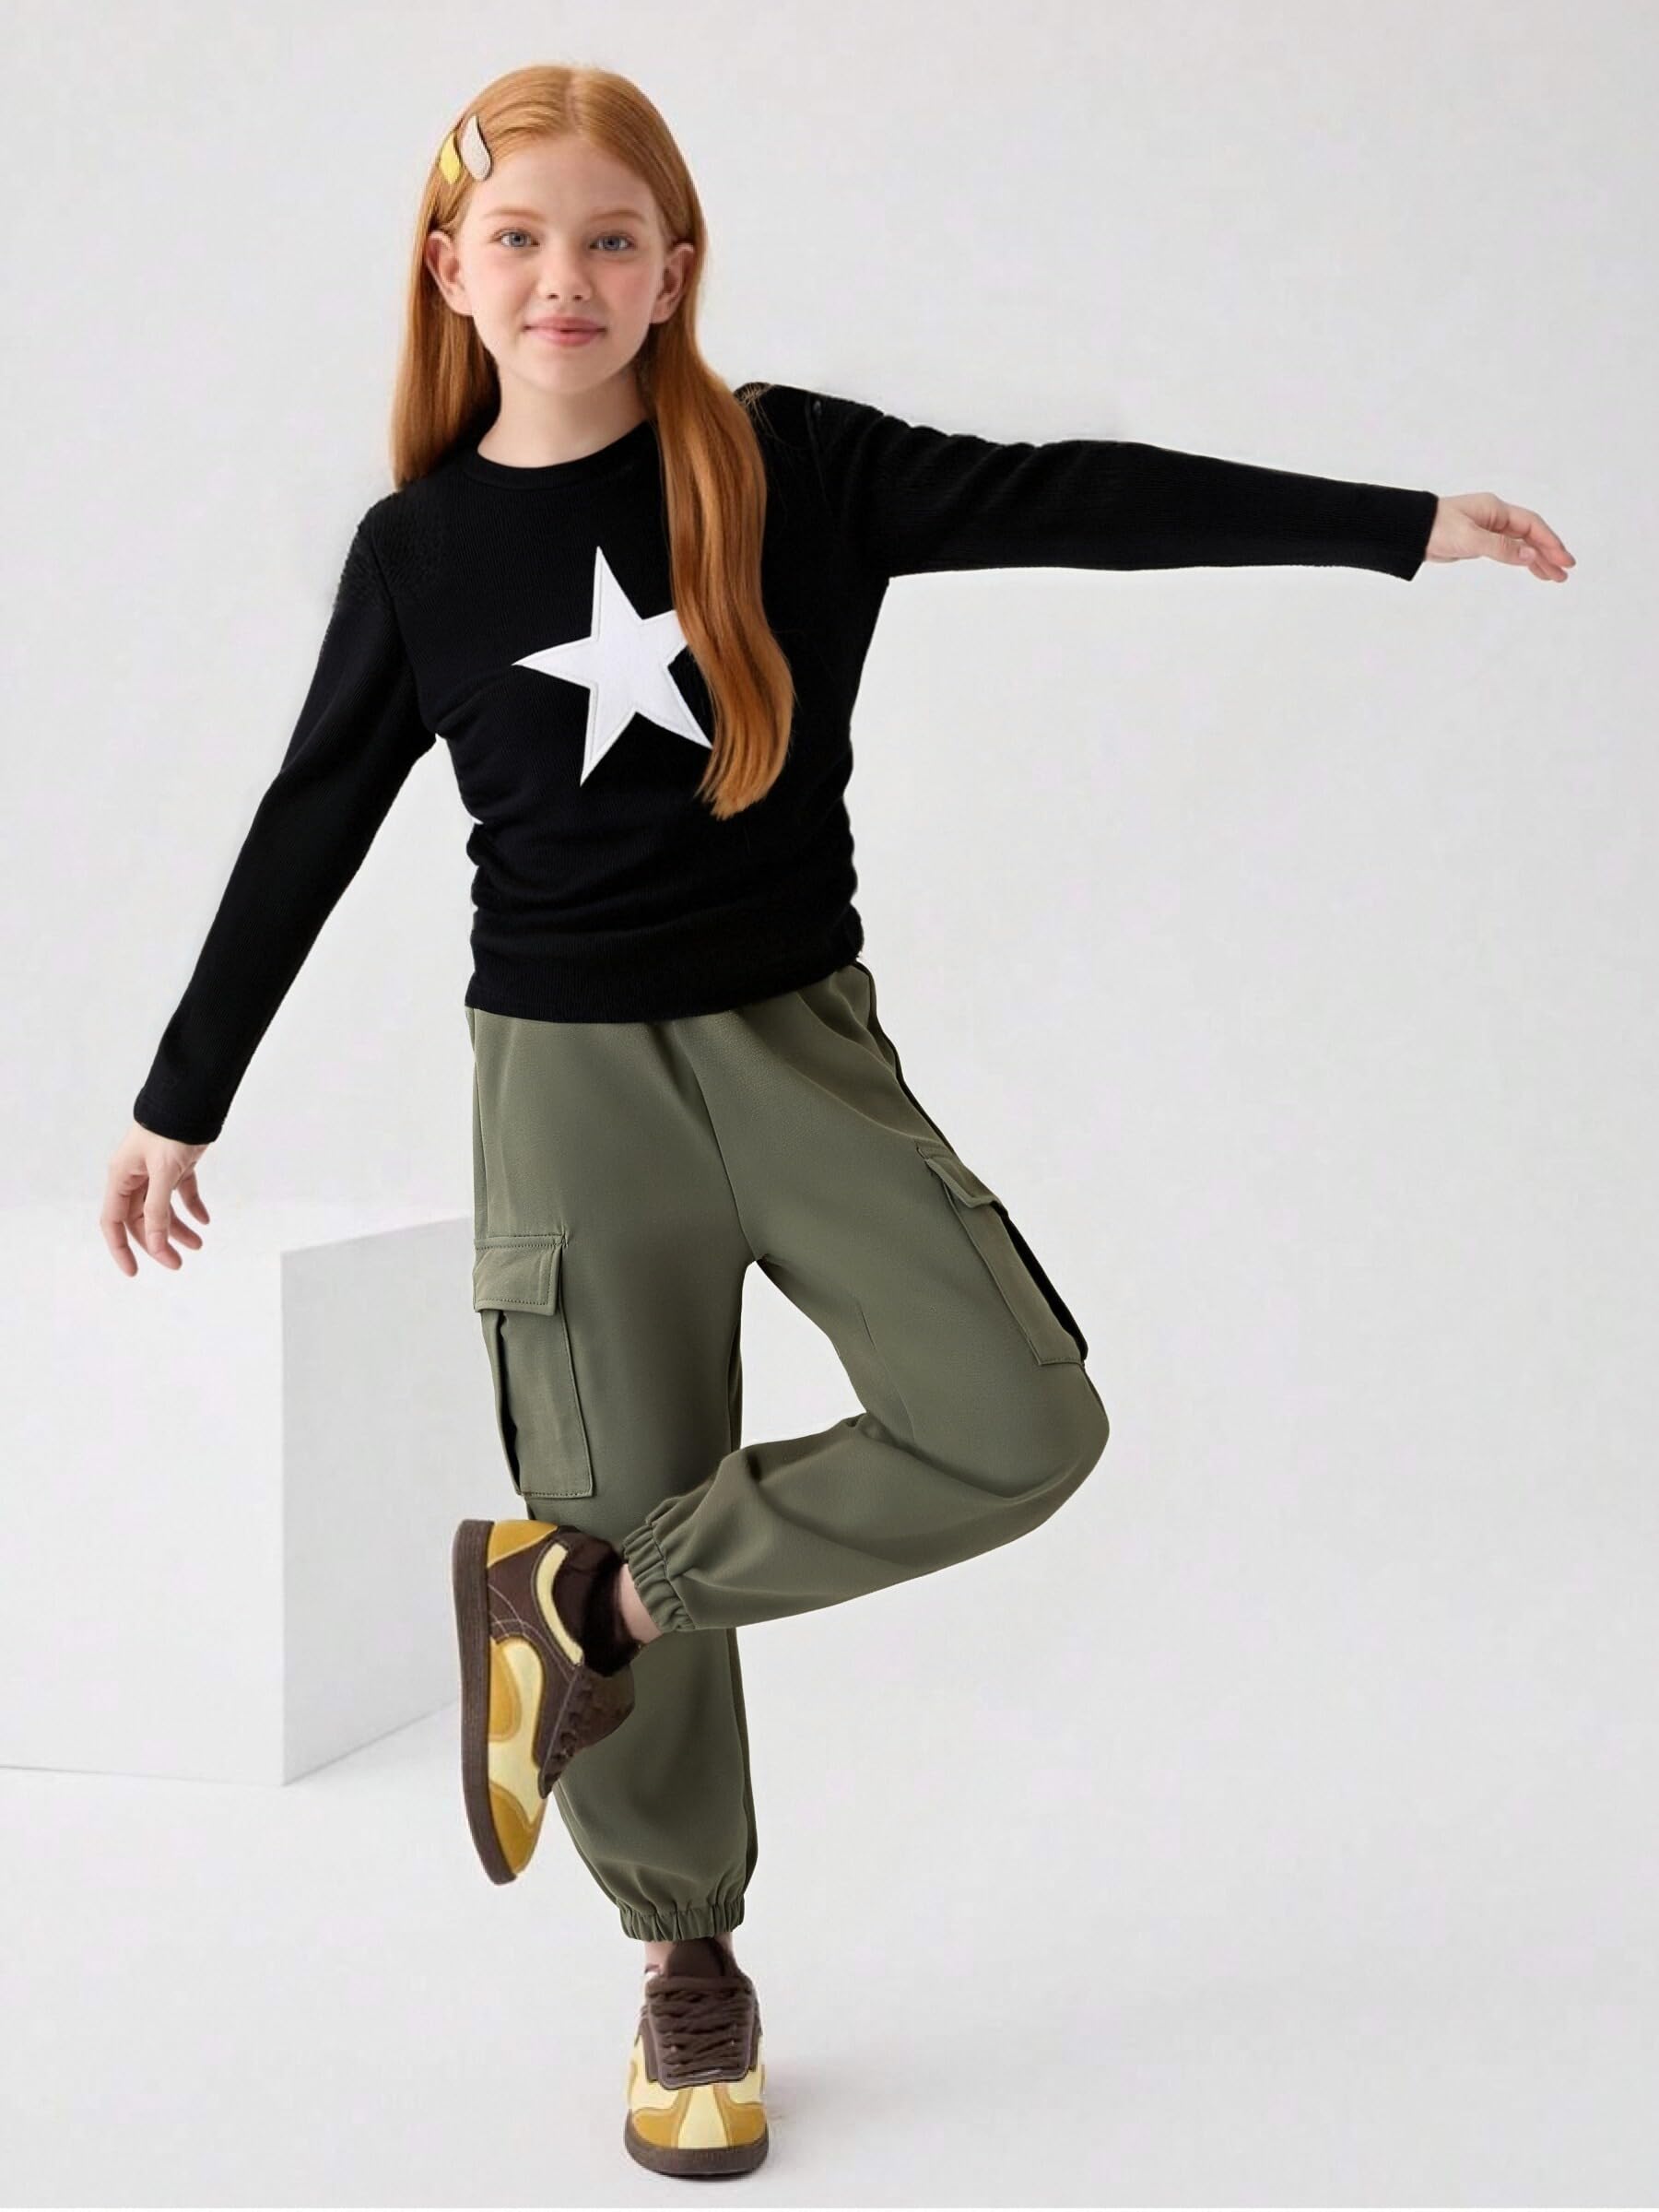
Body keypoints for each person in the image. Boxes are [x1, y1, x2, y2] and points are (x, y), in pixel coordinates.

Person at [100, 62, 1574, 2182]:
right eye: (518, 238)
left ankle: (588, 1607)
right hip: (570, 1096)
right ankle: (683, 1959)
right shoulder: (421, 553)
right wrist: (179, 1100)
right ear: (449, 270)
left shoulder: (790, 464)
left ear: (673, 267)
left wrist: (1391, 526)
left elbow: (1075, 499)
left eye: (611, 237)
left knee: (1013, 1416)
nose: (563, 275)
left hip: (801, 1055)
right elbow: (310, 816)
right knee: (622, 1466)